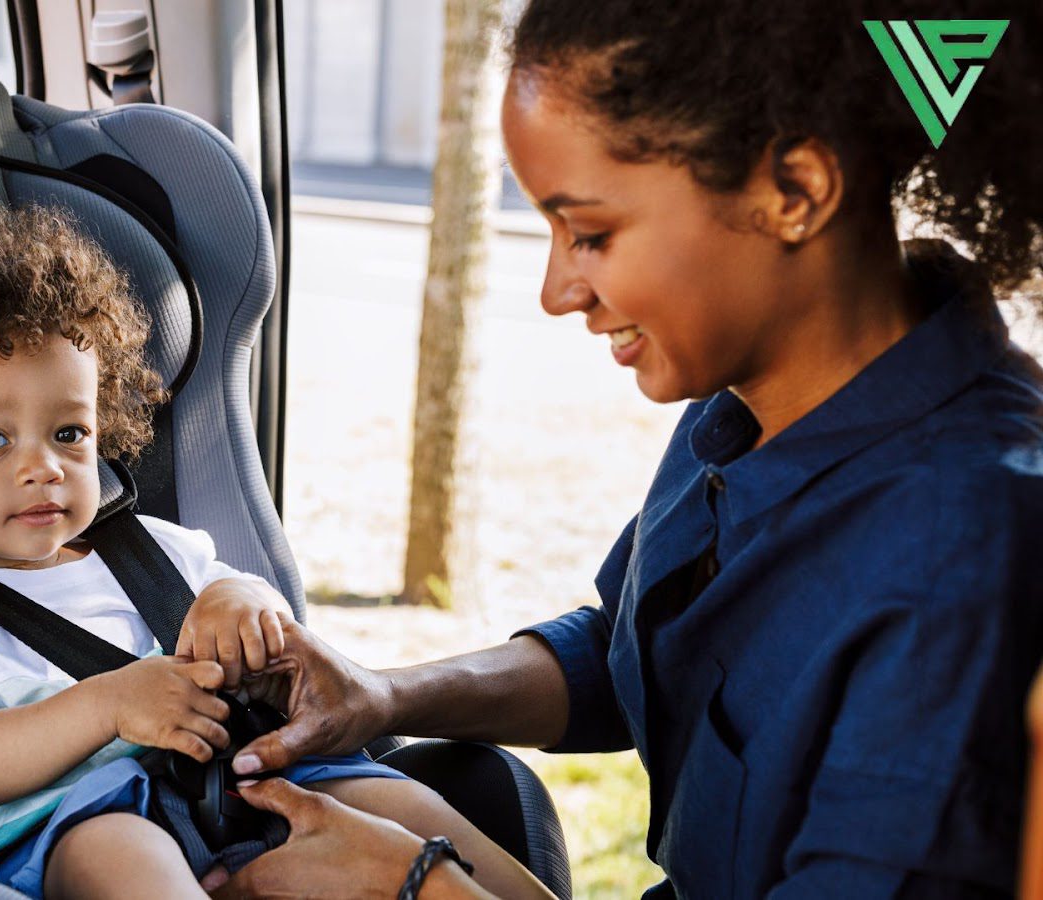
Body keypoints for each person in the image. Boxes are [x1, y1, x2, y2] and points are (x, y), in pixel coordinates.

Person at [217, 1, 1043, 897]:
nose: (556, 291)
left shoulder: (963, 549)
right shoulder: (744, 403)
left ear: (795, 193)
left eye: (591, 234)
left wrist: (415, 882)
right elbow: (633, 653)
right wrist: (383, 695)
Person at [0, 205, 551, 899]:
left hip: (241, 777)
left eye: (70, 433)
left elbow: (259, 611)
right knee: (118, 851)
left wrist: (243, 602)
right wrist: (111, 704)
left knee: (400, 805)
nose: (42, 467)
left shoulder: (157, 552)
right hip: (69, 819)